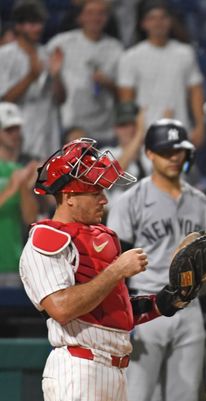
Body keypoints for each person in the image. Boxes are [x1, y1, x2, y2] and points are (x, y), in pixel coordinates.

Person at [0, 137, 190, 401]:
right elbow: (62, 307)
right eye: (95, 192)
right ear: (68, 197)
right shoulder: (44, 239)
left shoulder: (102, 238)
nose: (105, 199)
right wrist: (118, 270)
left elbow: (114, 312)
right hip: (79, 363)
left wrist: (166, 301)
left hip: (115, 366)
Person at [107, 119, 206, 401]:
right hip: (146, 306)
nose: (173, 157)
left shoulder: (199, 200)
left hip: (189, 309)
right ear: (149, 154)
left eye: (178, 150)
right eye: (165, 151)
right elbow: (116, 264)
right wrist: (124, 319)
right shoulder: (129, 200)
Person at [117, 0, 205, 147]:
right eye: (152, 18)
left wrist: (200, 125)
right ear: (143, 23)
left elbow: (196, 90)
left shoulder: (185, 53)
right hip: (146, 135)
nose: (158, 23)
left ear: (170, 21)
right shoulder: (130, 57)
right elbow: (126, 100)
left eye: (163, 17)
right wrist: (132, 133)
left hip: (181, 131)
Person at [46, 0, 123, 143]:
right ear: (80, 17)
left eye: (101, 14)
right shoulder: (61, 43)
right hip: (71, 127)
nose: (95, 18)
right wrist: (55, 75)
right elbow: (49, 90)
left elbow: (124, 95)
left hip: (104, 130)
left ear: (107, 18)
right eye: (90, 13)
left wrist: (108, 83)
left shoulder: (116, 49)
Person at [0, 0, 64, 159]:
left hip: (48, 134)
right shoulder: (5, 55)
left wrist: (56, 76)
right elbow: (4, 100)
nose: (39, 28)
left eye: (40, 22)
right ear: (19, 26)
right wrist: (30, 77)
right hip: (18, 135)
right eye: (32, 23)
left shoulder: (47, 54)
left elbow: (60, 99)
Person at [0, 102, 38, 287]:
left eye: (17, 129)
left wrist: (24, 185)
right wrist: (13, 186)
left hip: (13, 264)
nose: (15, 134)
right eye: (9, 129)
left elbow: (30, 219)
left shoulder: (19, 170)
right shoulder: (16, 175)